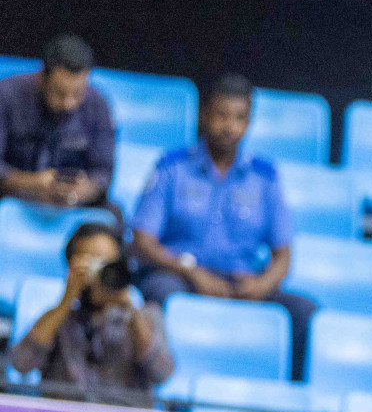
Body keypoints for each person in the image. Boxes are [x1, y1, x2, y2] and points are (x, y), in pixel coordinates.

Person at [129, 74, 315, 379]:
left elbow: (283, 255)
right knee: (159, 292)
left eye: (239, 118)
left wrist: (263, 284)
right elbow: (142, 240)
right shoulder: (172, 167)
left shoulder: (265, 177)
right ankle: (154, 383)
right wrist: (191, 271)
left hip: (242, 283)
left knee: (304, 312)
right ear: (203, 114)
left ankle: (290, 400)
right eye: (221, 115)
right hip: (182, 275)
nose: (229, 126)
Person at [10, 222, 173, 392]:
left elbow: (161, 373)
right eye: (92, 264)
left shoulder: (147, 316)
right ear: (72, 267)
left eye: (107, 264)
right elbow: (21, 364)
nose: (101, 274)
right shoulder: (59, 320)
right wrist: (66, 300)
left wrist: (130, 309)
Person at [0, 34, 114, 207]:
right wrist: (33, 182)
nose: (69, 103)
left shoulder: (97, 105)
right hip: (10, 198)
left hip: (69, 205)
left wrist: (84, 188)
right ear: (42, 78)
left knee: (113, 214)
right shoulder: (6, 96)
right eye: (60, 93)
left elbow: (103, 173)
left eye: (77, 93)